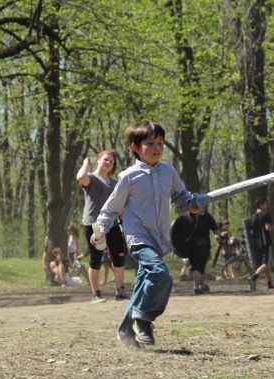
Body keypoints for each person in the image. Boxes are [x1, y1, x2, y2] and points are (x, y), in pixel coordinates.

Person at [92, 120, 209, 348]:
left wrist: (193, 204)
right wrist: (99, 232)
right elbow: (111, 208)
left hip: (159, 238)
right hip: (137, 238)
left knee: (144, 284)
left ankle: (126, 331)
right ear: (135, 147)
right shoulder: (129, 176)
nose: (157, 148)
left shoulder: (169, 172)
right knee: (160, 274)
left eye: (160, 143)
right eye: (150, 143)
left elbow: (181, 198)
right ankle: (144, 318)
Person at [77, 149, 128, 303]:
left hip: (112, 223)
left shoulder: (114, 183)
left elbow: (119, 205)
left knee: (119, 256)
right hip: (94, 224)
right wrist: (86, 163)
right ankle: (96, 294)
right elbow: (80, 177)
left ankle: (120, 290)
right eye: (106, 159)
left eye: (111, 161)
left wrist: (124, 223)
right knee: (96, 258)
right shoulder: (91, 178)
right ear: (98, 160)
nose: (108, 163)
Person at [178, 209, 219, 295]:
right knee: (198, 268)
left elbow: (178, 233)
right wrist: (222, 235)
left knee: (198, 267)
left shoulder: (185, 216)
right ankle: (196, 286)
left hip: (189, 246)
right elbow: (215, 230)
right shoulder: (204, 215)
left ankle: (202, 284)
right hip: (202, 245)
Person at [247, 198, 274, 290]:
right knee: (267, 264)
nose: (267, 206)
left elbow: (251, 232)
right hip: (266, 242)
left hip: (257, 244)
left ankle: (269, 283)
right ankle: (253, 277)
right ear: (261, 204)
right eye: (265, 204)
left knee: (267, 263)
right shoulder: (265, 214)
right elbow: (268, 228)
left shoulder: (253, 217)